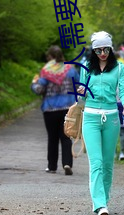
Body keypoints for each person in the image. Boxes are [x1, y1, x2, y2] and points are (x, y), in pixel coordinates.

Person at [77, 31, 124, 215]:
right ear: (93, 50)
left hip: (112, 119)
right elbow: (80, 98)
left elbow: (123, 90)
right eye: (98, 50)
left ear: (111, 48)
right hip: (90, 118)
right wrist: (80, 91)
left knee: (108, 164)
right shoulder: (86, 67)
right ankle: (99, 205)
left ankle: (104, 201)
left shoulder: (119, 68)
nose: (102, 53)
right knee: (96, 163)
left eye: (106, 49)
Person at [31, 45, 79, 175]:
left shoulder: (46, 71)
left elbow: (39, 90)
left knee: (52, 138)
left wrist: (34, 83)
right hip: (67, 109)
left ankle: (52, 167)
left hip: (50, 109)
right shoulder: (71, 69)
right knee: (66, 136)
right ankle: (67, 163)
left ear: (50, 57)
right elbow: (79, 86)